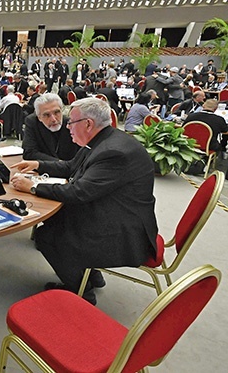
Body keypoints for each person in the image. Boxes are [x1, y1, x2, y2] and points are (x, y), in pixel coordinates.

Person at [10, 97, 158, 305]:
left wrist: (33, 187)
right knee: (54, 220)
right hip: (116, 209)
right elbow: (71, 167)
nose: (67, 126)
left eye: (71, 122)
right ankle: (89, 275)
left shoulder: (113, 152)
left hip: (126, 230)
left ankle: (81, 293)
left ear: (88, 124)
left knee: (47, 236)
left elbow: (78, 192)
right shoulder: (104, 139)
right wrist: (37, 164)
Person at [22, 93, 79, 161]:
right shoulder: (33, 122)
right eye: (46, 115)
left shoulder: (72, 124)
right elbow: (29, 153)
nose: (53, 119)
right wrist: (59, 164)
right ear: (39, 117)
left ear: (62, 110)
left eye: (57, 112)